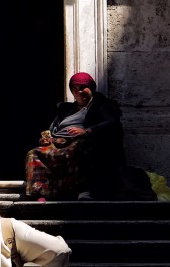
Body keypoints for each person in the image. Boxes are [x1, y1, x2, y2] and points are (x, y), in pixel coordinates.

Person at [24, 72, 127, 201]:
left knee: (79, 148)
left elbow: (111, 122)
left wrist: (87, 131)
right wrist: (46, 139)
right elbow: (53, 128)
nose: (79, 92)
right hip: (57, 142)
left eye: (83, 87)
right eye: (75, 89)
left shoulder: (102, 105)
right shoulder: (66, 109)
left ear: (91, 88)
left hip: (80, 141)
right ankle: (41, 193)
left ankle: (83, 190)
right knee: (34, 153)